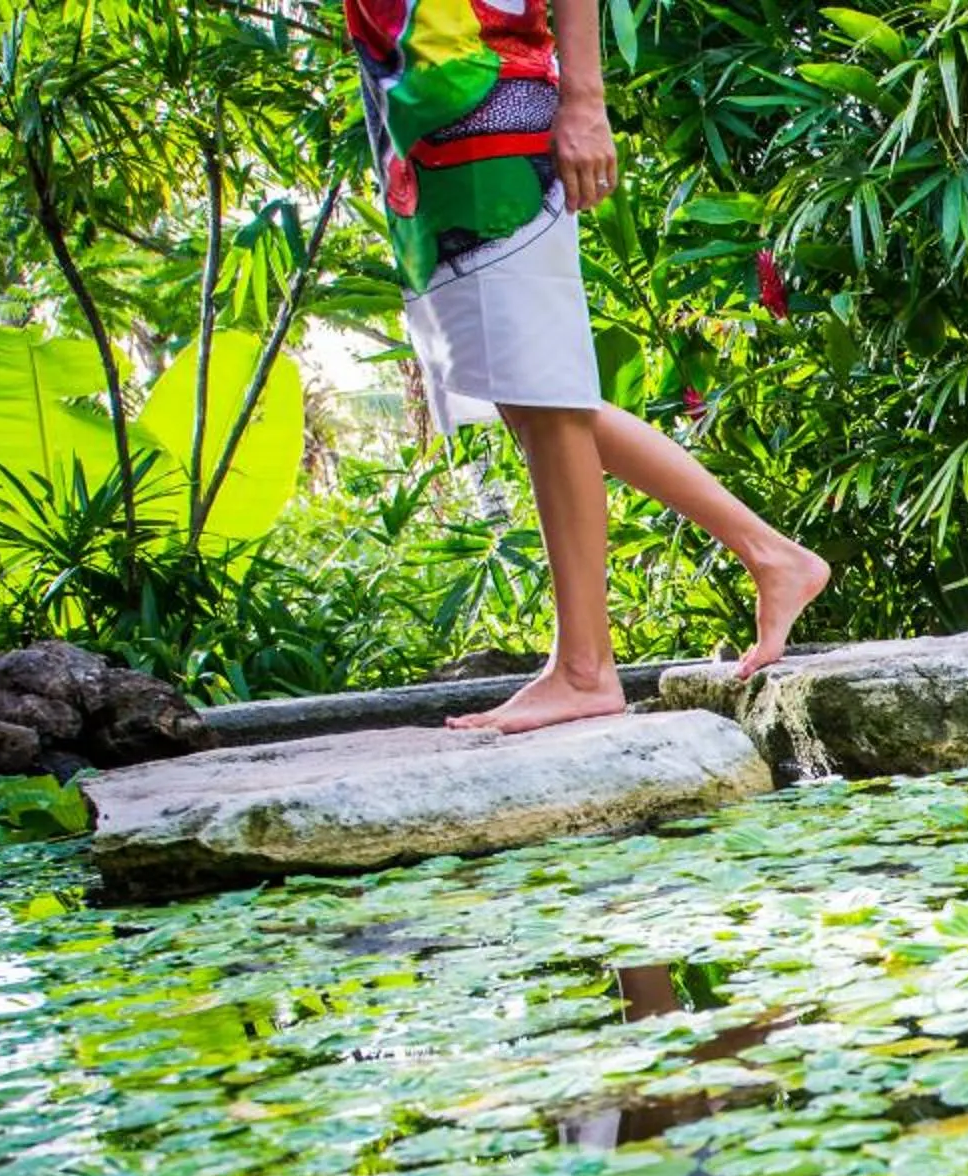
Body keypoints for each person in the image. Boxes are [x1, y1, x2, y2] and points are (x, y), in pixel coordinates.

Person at [344, 0, 828, 732]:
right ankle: (771, 556)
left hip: (492, 95)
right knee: (526, 392)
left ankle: (585, 668)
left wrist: (585, 99)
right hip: (418, 108)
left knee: (540, 386)